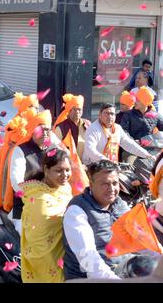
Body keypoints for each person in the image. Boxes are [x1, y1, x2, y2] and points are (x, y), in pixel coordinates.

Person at [63, 160, 130, 280]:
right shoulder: (77, 211)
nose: (111, 189)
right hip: (88, 277)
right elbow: (89, 259)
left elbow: (141, 237)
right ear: (91, 184)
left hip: (121, 270)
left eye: (115, 183)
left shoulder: (120, 204)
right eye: (105, 183)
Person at [20, 148, 73, 283]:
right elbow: (39, 239)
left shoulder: (65, 187)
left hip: (66, 253)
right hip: (46, 257)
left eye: (67, 170)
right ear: (46, 169)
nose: (65, 175)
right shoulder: (39, 198)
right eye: (59, 170)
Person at [9, 110, 57, 234]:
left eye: (47, 130)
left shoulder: (54, 149)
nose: (45, 133)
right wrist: (34, 195)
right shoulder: (21, 150)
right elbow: (16, 182)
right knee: (28, 236)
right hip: (26, 205)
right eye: (41, 129)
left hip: (52, 203)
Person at [82, 103, 154, 165]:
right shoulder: (93, 129)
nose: (110, 117)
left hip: (111, 166)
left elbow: (129, 144)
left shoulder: (117, 128)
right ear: (99, 115)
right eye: (106, 113)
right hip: (93, 166)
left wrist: (147, 155)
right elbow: (90, 150)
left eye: (112, 114)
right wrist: (104, 160)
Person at [120, 86, 163, 164]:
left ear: (145, 102)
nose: (135, 102)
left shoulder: (155, 115)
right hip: (131, 149)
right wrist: (132, 142)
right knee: (129, 166)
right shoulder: (128, 114)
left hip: (150, 149)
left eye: (138, 100)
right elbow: (123, 131)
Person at [54, 94, 91, 160]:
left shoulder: (87, 124)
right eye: (74, 109)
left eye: (79, 109)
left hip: (86, 163)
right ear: (69, 111)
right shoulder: (61, 127)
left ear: (82, 111)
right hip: (68, 163)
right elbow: (55, 146)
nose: (77, 112)